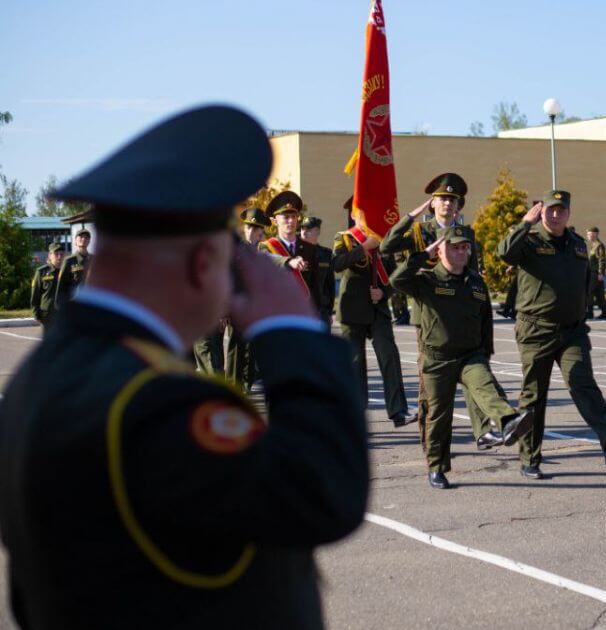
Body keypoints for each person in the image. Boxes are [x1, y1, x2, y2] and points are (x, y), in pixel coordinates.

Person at [0, 105, 367, 629]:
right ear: (202, 265)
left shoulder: (41, 375)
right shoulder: (156, 404)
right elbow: (324, 492)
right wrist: (291, 333)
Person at [497, 190, 606, 479]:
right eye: (550, 210)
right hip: (536, 330)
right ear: (541, 211)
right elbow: (504, 253)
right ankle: (530, 458)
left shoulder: (577, 244)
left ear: (568, 213)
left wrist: (581, 308)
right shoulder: (529, 240)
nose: (555, 214)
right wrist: (525, 223)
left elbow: (585, 281)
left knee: (583, 383)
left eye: (560, 210)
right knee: (534, 395)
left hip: (572, 331)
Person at [390, 226, 534, 489]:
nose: (461, 251)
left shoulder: (475, 281)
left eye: (465, 247)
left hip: (470, 355)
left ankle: (508, 421)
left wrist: (485, 353)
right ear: (442, 250)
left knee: (485, 386)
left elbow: (485, 321)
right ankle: (437, 467)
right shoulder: (426, 279)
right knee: (438, 416)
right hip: (437, 359)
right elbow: (396, 281)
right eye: (455, 246)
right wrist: (422, 256)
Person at [379, 173, 494, 447]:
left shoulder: (467, 233)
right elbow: (386, 246)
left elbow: (472, 271)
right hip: (430, 314)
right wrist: (409, 216)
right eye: (443, 199)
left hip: (463, 311)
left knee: (474, 366)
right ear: (433, 203)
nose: (448, 204)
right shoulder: (420, 231)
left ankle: (483, 431)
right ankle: (428, 437)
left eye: (453, 200)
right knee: (430, 383)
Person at [333, 220, 411, 428]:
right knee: (355, 364)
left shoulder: (384, 240)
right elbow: (337, 264)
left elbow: (395, 276)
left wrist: (384, 292)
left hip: (378, 309)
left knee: (389, 357)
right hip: (352, 310)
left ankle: (398, 410)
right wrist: (363, 248)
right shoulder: (345, 237)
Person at [226, 207, 270, 391]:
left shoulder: (264, 252)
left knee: (252, 351)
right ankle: (233, 388)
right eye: (249, 227)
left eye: (256, 228)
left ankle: (246, 387)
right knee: (236, 350)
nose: (252, 231)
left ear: (261, 232)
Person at [300, 216, 336, 329]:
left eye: (309, 229)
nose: (304, 232)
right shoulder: (294, 252)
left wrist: (329, 312)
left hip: (321, 311)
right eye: (303, 228)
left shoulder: (326, 254)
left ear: (317, 231)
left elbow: (330, 284)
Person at [54, 229, 91, 309]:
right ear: (75, 241)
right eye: (80, 237)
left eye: (86, 237)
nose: (83, 239)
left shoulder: (94, 260)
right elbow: (61, 285)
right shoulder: (69, 261)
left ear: (89, 241)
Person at [30, 243, 66, 328]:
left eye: (61, 254)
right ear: (50, 255)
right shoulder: (41, 272)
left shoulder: (68, 272)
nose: (59, 256)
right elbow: (35, 295)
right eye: (56, 254)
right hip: (47, 315)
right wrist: (36, 315)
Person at [585, 226, 606, 320]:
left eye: (589, 234)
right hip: (594, 273)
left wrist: (600, 273)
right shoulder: (594, 245)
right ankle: (604, 313)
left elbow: (602, 260)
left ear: (594, 234)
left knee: (588, 292)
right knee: (599, 294)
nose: (587, 236)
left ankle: (590, 313)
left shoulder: (599, 245)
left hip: (595, 273)